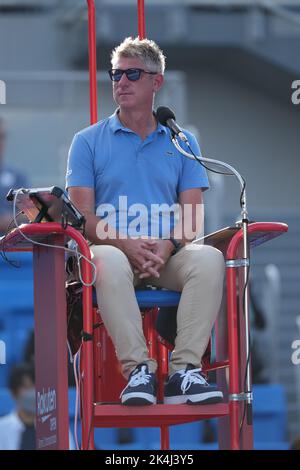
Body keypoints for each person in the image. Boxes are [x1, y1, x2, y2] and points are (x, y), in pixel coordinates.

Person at [66, 37, 225, 406]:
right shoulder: (87, 141)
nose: (121, 82)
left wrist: (167, 246)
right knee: (104, 259)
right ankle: (140, 370)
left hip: (164, 254)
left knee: (210, 259)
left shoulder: (183, 140)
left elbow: (192, 217)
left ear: (157, 81)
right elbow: (81, 216)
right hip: (114, 253)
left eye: (132, 74)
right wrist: (126, 243)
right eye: (116, 74)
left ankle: (185, 371)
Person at [0, 118, 27, 235]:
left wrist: (9, 221)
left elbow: (31, 214)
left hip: (13, 250)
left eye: (2, 136)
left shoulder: (18, 177)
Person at [0, 363, 36, 450]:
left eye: (34, 387)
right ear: (13, 393)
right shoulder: (2, 429)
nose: (32, 392)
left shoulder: (54, 427)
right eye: (27, 387)